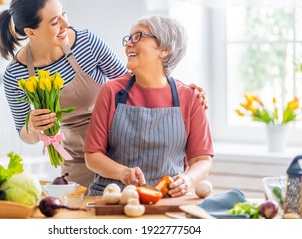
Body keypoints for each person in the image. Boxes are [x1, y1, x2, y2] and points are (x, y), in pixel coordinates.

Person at [0, 0, 208, 188]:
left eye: (63, 14)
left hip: (120, 154)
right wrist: (33, 125)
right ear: (31, 32)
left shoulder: (86, 43)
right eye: (54, 22)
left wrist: (179, 91)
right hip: (77, 160)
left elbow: (136, 80)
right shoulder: (16, 74)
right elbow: (25, 135)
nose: (65, 25)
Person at [84, 15, 213, 196]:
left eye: (138, 36)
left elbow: (202, 159)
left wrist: (188, 179)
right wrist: (123, 173)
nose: (128, 43)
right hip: (114, 198)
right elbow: (92, 157)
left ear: (165, 49)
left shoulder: (190, 97)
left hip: (167, 200)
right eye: (128, 38)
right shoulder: (111, 91)